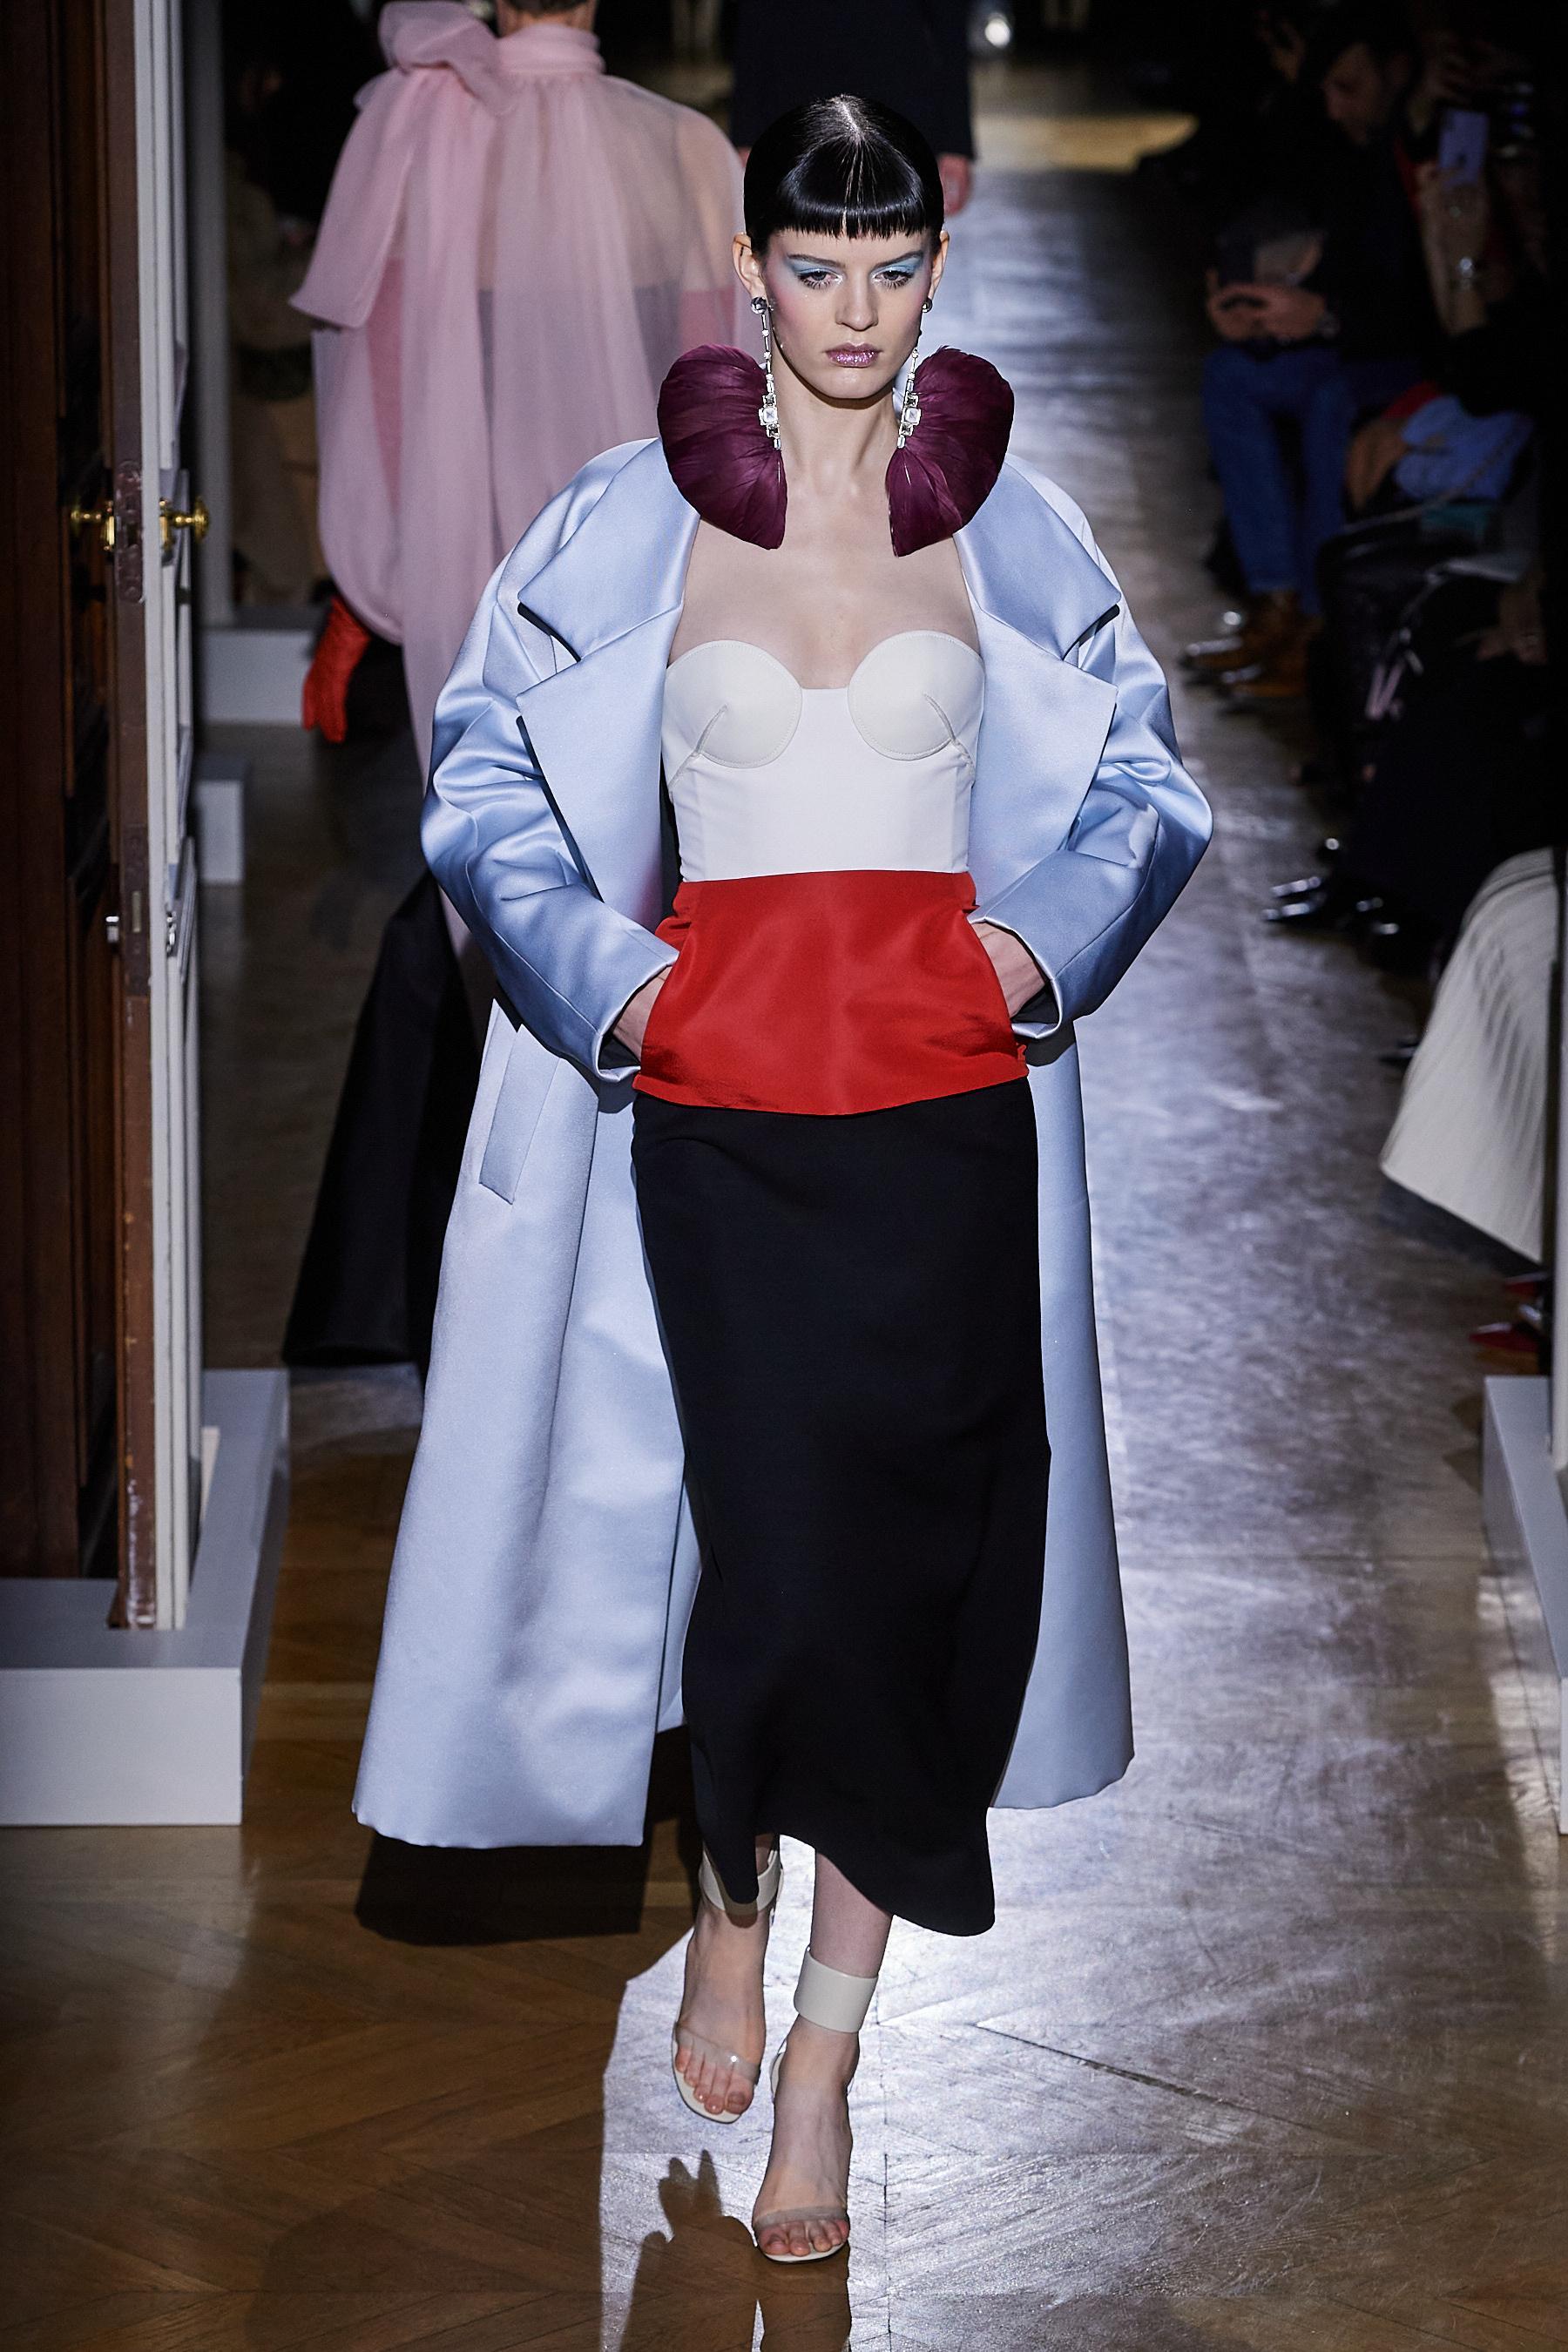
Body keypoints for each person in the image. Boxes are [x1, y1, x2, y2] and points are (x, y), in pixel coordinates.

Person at [352, 95, 1210, 2263]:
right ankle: (726, 1898)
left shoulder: (1012, 526)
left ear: (937, 268)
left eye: (892, 269)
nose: (853, 310)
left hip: (944, 1122)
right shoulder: (625, 520)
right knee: (761, 1570)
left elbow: (1146, 770)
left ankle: (824, 2057)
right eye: (815, 268)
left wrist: (1036, 945)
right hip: (721, 1122)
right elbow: (480, 757)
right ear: (750, 266)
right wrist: (612, 980)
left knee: (909, 1591)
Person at [293, 0, 750, 773]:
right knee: (618, 810)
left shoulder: (425, 134)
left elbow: (383, 393)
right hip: (631, 556)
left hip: (467, 545)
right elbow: (716, 397)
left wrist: (365, 589)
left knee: (492, 812)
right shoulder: (685, 144)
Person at [1190, 2, 1437, 701]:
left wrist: (1324, 315)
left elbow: (1425, 310)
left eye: (1348, 87)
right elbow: (1332, 254)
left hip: (1423, 361)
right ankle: (1276, 602)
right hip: (1353, 341)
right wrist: (1262, 309)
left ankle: (1320, 627)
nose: (1333, 106)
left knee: (1332, 401)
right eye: (1324, 89)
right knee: (1231, 373)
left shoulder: (1427, 148)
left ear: (1399, 72)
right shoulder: (1352, 146)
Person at [730, 0, 976, 214]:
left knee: (890, 236)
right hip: (795, 104)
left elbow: (950, 28)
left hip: (897, 106)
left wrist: (956, 144)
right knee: (803, 235)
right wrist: (747, 132)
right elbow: (754, 19)